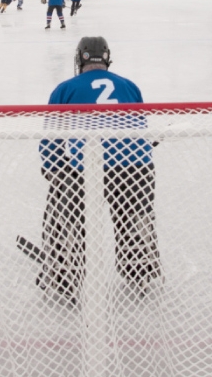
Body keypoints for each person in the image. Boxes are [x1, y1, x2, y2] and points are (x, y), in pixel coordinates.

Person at [36, 36, 162, 303]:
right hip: (135, 168)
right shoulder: (129, 85)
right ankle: (139, 269)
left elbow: (51, 137)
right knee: (134, 218)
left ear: (79, 58)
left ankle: (64, 275)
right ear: (106, 58)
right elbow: (142, 128)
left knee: (66, 219)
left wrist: (53, 169)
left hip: (86, 169)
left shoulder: (65, 88)